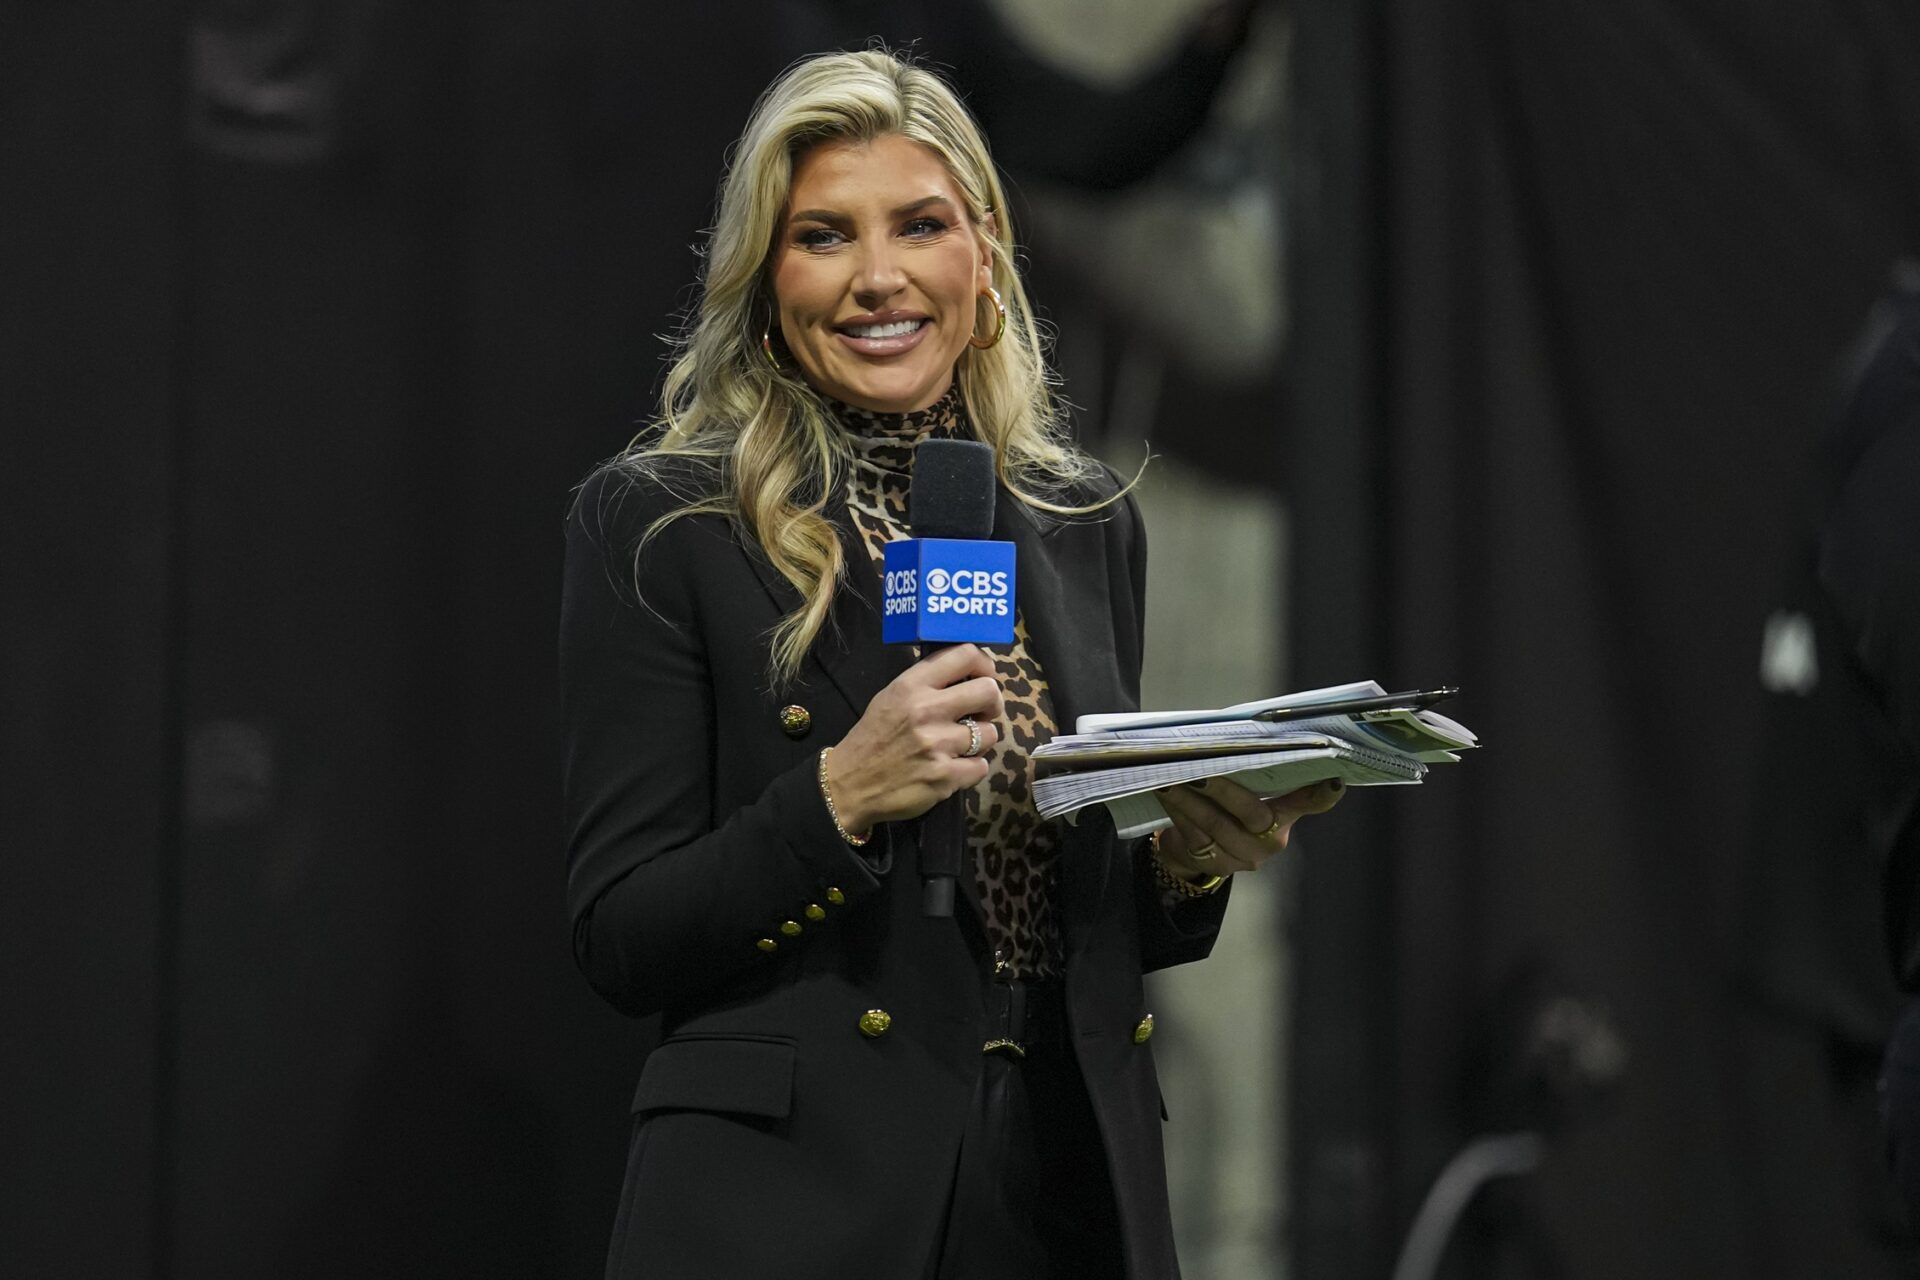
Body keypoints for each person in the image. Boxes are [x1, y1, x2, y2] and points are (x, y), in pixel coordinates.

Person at [560, 49, 1341, 1279]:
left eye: (920, 225)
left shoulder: (1080, 519)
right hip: (798, 1202)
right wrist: (838, 797)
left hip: (1059, 1185)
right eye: (824, 234)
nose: (879, 276)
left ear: (984, 258)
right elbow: (622, 933)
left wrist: (1187, 861)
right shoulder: (666, 523)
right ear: (766, 280)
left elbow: (1061, 916)